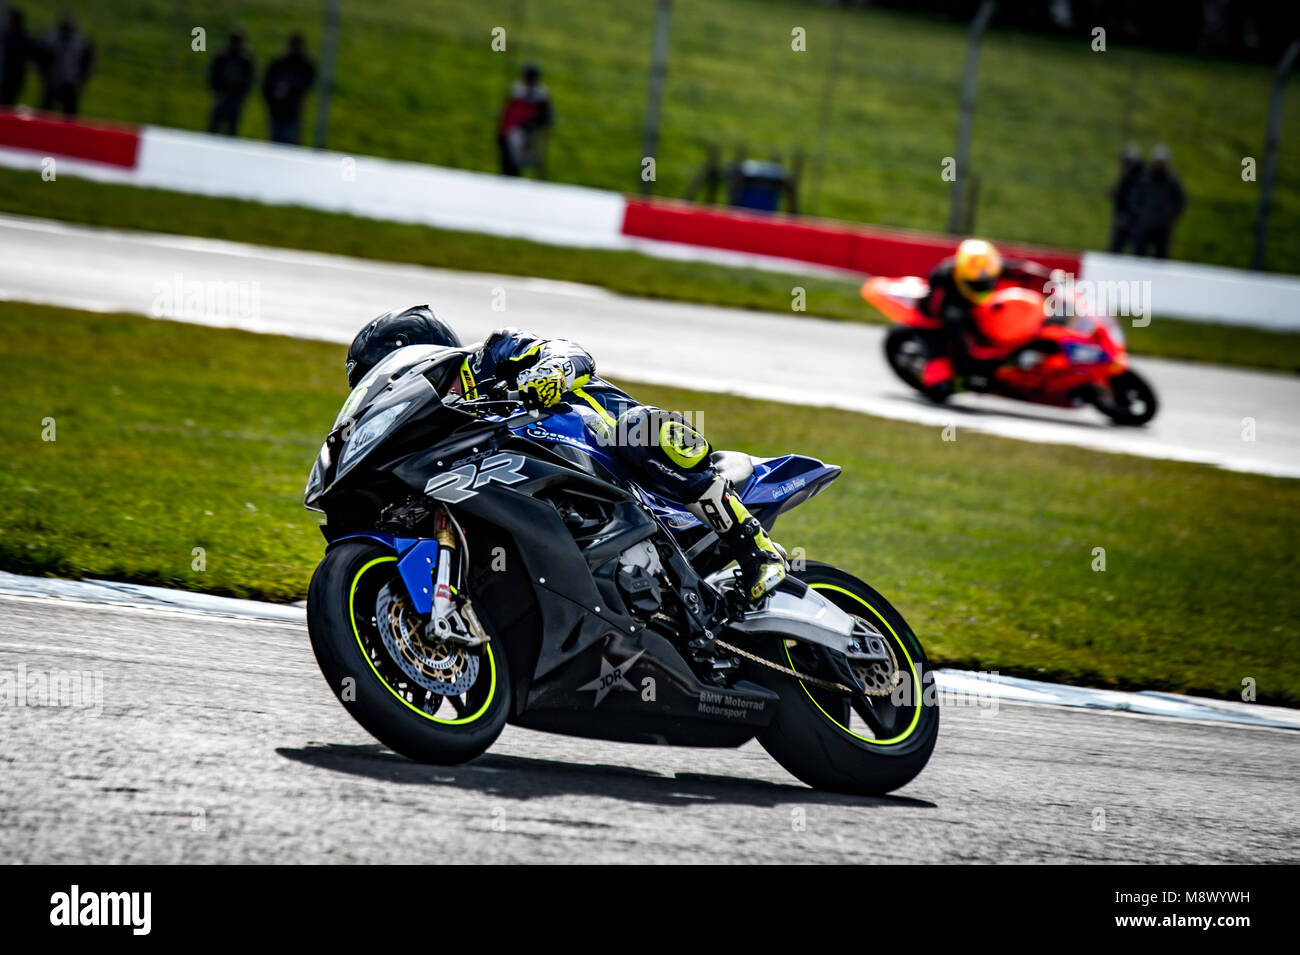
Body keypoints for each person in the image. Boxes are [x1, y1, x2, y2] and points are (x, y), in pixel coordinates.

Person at [344, 307, 788, 605]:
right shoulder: (434, 428)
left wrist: (550, 369)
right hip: (535, 490)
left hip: (607, 449)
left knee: (638, 431)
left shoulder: (489, 355)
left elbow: (571, 353)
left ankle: (754, 546)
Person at [917, 238, 1052, 394]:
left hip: (980, 308)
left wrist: (1051, 277)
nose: (984, 281)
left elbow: (1024, 269)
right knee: (940, 389)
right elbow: (931, 310)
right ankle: (964, 371)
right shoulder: (943, 278)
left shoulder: (990, 265)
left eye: (987, 279)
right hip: (943, 317)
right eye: (977, 281)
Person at [1129, 145, 1185, 259]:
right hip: (1144, 225)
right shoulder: (1144, 178)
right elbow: (1134, 197)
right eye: (1158, 161)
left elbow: (1180, 201)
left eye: (1162, 162)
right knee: (1139, 255)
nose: (1160, 164)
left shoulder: (1172, 181)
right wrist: (1140, 215)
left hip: (1163, 227)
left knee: (1161, 257)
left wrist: (1170, 216)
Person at [496, 63, 553, 177]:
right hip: (512, 130)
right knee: (509, 161)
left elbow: (547, 116)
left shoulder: (541, 95)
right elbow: (507, 112)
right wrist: (502, 129)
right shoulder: (517, 91)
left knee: (530, 160)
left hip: (530, 132)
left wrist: (532, 124)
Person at [261, 33, 315, 144]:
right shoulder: (279, 62)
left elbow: (307, 83)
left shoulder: (304, 64)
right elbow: (267, 84)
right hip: (277, 109)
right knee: (275, 141)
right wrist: (273, 97)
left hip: (293, 110)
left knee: (290, 143)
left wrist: (290, 90)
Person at [38, 14, 93, 116]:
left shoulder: (80, 42)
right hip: (53, 81)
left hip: (70, 83)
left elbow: (88, 63)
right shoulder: (51, 39)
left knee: (69, 116)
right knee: (45, 113)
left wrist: (81, 80)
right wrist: (45, 75)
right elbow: (41, 58)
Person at [208, 28, 255, 136]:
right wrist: (216, 92)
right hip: (222, 97)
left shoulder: (245, 59)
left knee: (231, 131)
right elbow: (213, 75)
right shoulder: (222, 56)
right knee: (214, 129)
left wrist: (241, 96)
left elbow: (248, 80)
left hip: (235, 99)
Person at [1106, 143, 1144, 254]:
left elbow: (1133, 197)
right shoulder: (1127, 174)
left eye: (1126, 160)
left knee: (1138, 250)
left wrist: (1127, 215)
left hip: (1133, 220)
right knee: (1115, 249)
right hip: (1125, 218)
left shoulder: (1140, 177)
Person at [1, 8, 33, 107]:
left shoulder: (13, 36)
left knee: (7, 103)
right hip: (12, 76)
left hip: (11, 76)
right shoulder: (19, 35)